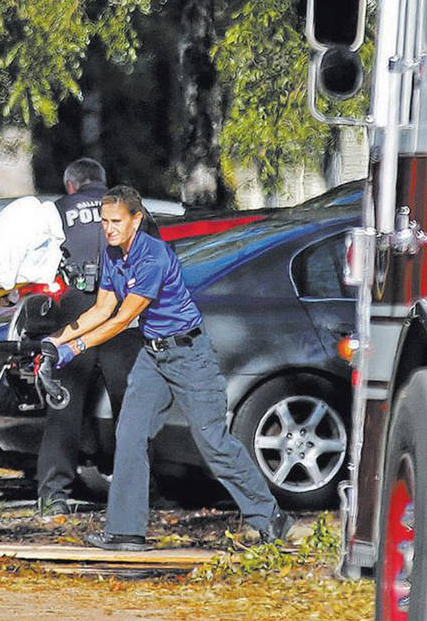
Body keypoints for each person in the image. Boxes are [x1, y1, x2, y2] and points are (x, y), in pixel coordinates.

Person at [42, 185, 288, 549]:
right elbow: (100, 309)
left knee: (213, 442)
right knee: (130, 434)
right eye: (104, 222)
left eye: (115, 222)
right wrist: (56, 341)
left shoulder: (153, 256)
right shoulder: (113, 254)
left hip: (188, 353)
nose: (108, 229)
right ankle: (125, 532)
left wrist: (76, 346)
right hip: (153, 356)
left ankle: (270, 518)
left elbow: (123, 317)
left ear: (136, 220)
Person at [35, 159, 159, 516]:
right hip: (124, 311)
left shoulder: (57, 211)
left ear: (71, 185)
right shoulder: (132, 210)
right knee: (131, 409)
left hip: (76, 310)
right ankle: (139, 495)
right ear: (104, 184)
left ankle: (53, 495)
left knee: (65, 405)